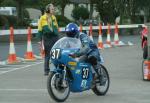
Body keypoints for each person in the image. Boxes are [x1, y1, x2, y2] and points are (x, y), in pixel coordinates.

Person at [38, 3, 59, 76]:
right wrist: (40, 41)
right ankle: (46, 70)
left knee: (56, 54)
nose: (53, 10)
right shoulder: (43, 18)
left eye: (53, 9)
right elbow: (42, 30)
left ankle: (57, 69)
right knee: (48, 55)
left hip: (54, 37)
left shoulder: (53, 17)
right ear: (48, 9)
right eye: (52, 9)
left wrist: (55, 33)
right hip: (47, 38)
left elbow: (56, 29)